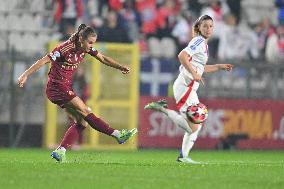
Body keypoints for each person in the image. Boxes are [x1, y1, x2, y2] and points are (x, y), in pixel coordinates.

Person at [18, 24, 138, 162]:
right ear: (81, 38)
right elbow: (44, 60)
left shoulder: (86, 49)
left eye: (93, 43)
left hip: (64, 88)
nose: (91, 46)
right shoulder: (65, 48)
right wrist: (25, 75)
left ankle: (60, 151)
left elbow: (103, 58)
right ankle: (117, 134)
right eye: (90, 42)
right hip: (57, 88)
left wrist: (120, 67)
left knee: (82, 122)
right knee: (85, 110)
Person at [144, 15, 233, 164]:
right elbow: (182, 56)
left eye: (211, 26)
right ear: (199, 28)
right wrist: (193, 73)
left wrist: (218, 66)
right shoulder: (198, 41)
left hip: (189, 87)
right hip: (185, 86)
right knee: (193, 126)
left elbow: (199, 67)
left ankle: (183, 156)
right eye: (205, 26)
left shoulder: (203, 44)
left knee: (196, 125)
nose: (209, 29)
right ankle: (163, 110)